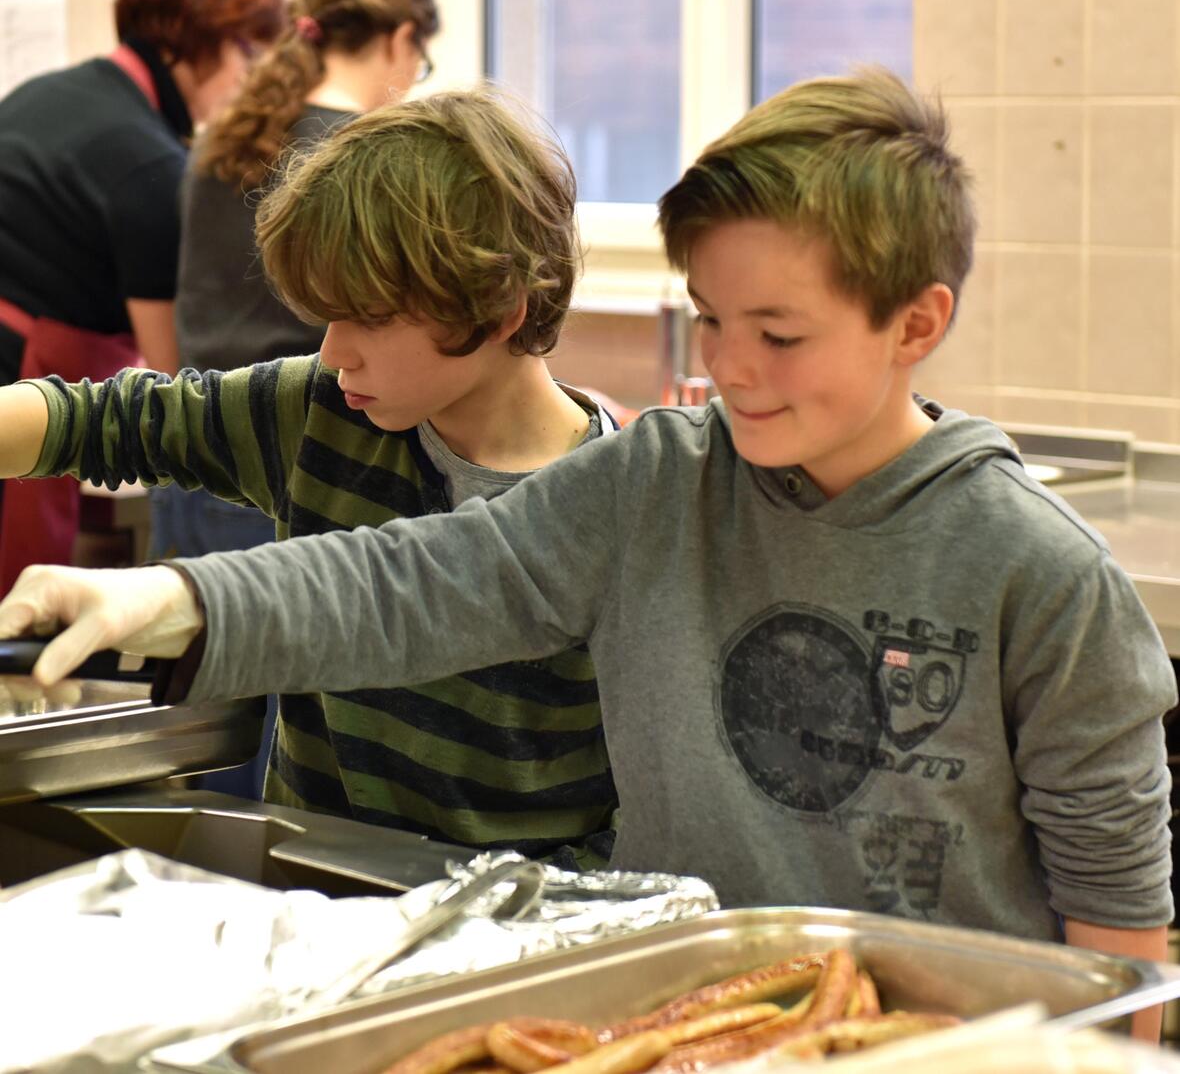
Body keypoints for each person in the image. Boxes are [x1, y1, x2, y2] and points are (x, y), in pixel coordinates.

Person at [0, 68, 1172, 1038]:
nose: (733, 368)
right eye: (710, 321)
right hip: (678, 1017)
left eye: (778, 332)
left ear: (915, 323)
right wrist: (179, 597)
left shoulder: (1039, 574)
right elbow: (423, 578)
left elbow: (1116, 916)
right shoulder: (656, 482)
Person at [0, 88, 619, 865]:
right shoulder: (322, 414)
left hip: (517, 941)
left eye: (368, 318)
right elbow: (113, 419)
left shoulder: (614, 508)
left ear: (497, 313)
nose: (333, 352)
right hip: (313, 907)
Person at [154, 0, 439, 799]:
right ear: (395, 37)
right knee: (280, 767)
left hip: (194, 457)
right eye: (421, 57)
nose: (418, 75)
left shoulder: (226, 140)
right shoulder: (361, 158)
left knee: (195, 746)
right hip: (298, 466)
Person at [0, 0, 283, 594]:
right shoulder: (151, 167)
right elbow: (172, 371)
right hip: (21, 378)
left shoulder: (51, 93)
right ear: (208, 39)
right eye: (247, 55)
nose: (244, 82)